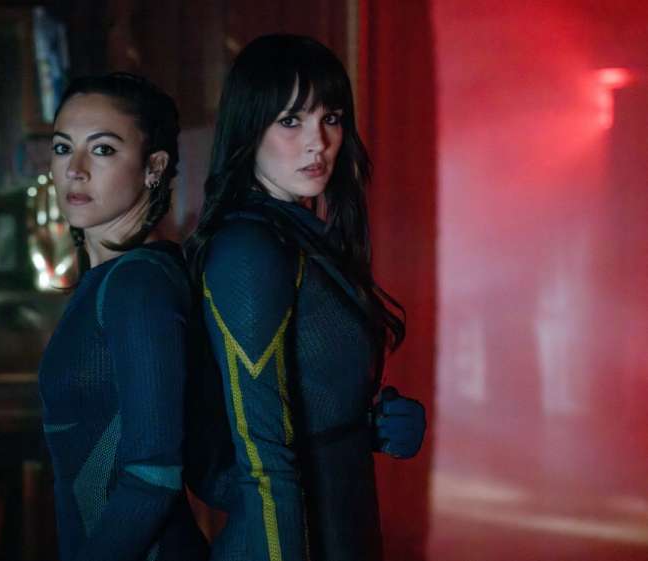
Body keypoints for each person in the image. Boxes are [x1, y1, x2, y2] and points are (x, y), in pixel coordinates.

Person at [184, 34, 424, 560]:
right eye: (291, 120)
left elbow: (303, 405)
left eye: (330, 118)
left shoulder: (299, 237)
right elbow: (262, 458)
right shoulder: (248, 249)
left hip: (342, 532)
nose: (318, 142)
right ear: (251, 128)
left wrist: (366, 428)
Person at [38, 72, 209, 560]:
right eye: (63, 147)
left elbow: (154, 475)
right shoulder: (117, 279)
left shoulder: (138, 283)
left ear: (154, 166)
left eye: (103, 149)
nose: (75, 170)